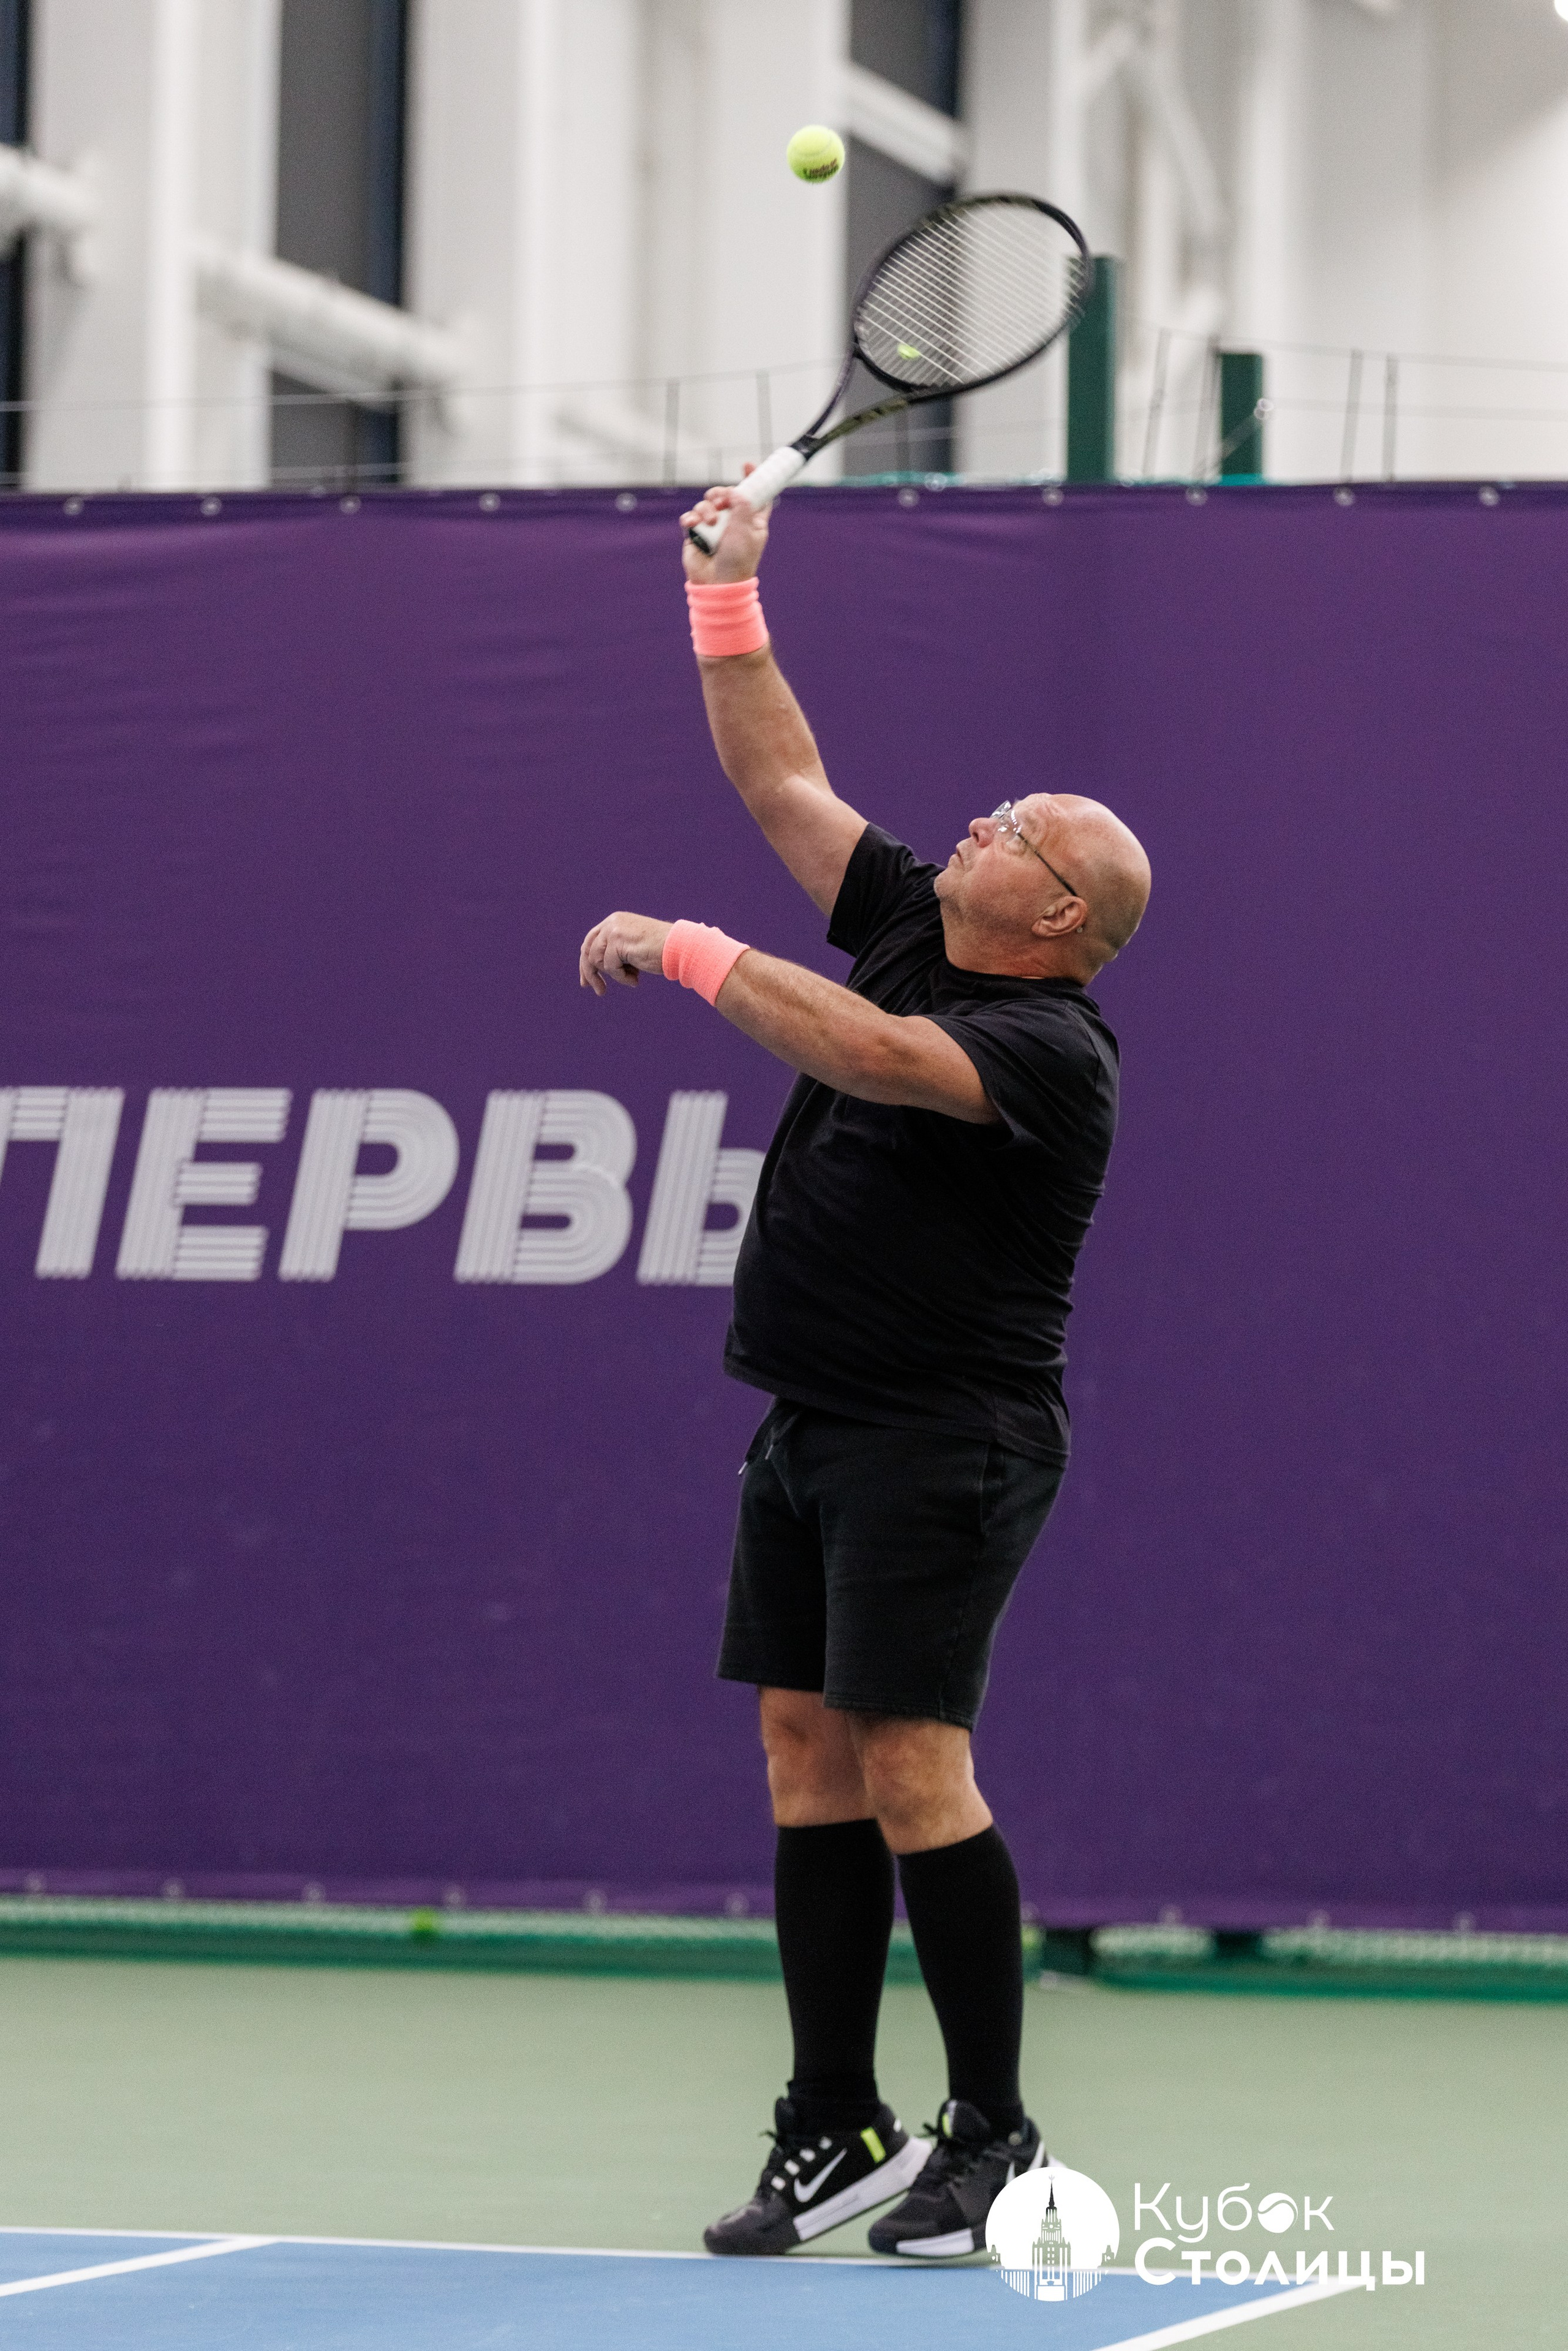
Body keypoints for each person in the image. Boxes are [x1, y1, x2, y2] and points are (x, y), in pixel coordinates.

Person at [578, 478, 1152, 2261]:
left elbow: (878, 1055)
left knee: (913, 1759)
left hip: (949, 1438)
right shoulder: (916, 914)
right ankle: (836, 2117)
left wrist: (692, 952)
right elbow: (782, 779)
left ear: (1056, 911)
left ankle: (995, 2136)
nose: (977, 823)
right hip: (813, 1421)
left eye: (1014, 830)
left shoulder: (1052, 1046)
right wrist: (728, 598)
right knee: (804, 1752)